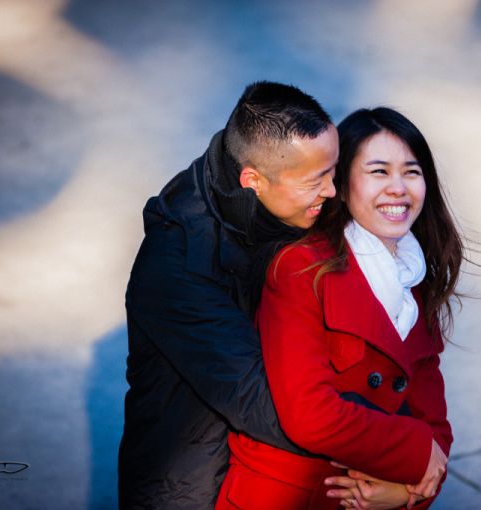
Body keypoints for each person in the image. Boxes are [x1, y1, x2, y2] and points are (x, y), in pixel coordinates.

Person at [216, 107, 465, 510]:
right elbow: (310, 413)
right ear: (342, 186)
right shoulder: (301, 267)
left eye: (412, 172)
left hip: (364, 498)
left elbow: (435, 425)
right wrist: (416, 454)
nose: (398, 188)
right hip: (286, 497)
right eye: (379, 172)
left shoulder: (415, 281)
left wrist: (406, 495)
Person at [118, 81, 339, 509]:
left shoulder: (276, 202)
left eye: (334, 169)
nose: (332, 190)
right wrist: (387, 447)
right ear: (252, 179)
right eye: (317, 180)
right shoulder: (178, 265)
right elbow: (258, 401)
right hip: (191, 488)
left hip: (264, 474)